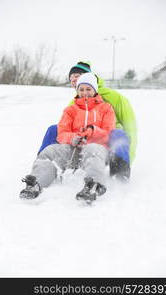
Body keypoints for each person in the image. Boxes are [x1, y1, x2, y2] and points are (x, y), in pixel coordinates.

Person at [20, 73, 116, 202]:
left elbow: (109, 132)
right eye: (81, 89)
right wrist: (73, 138)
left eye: (88, 89)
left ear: (95, 90)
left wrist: (92, 131)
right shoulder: (71, 110)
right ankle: (36, 184)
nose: (84, 92)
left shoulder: (106, 108)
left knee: (93, 150)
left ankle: (93, 186)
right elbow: (62, 132)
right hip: (74, 148)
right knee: (50, 151)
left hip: (97, 149)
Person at [38, 61, 137, 181]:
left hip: (105, 139)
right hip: (80, 142)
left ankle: (120, 173)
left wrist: (128, 158)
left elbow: (130, 126)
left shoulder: (114, 98)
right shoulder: (75, 102)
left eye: (77, 76)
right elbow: (65, 128)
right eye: (71, 78)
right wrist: (73, 139)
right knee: (54, 129)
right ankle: (43, 168)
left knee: (118, 133)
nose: (73, 80)